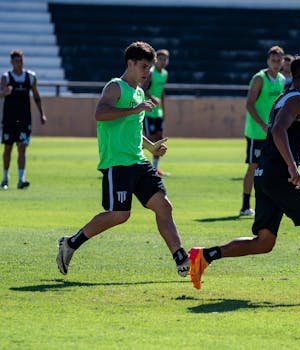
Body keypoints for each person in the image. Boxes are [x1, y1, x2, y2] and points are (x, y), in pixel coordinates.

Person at [188, 54, 300, 303]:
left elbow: (277, 137)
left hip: (266, 175)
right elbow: (279, 131)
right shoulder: (297, 99)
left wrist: (296, 171)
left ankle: (205, 256)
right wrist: (293, 169)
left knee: (264, 242)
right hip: (281, 177)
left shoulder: (283, 98)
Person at [56, 42, 189, 277]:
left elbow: (134, 131)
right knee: (119, 214)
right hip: (117, 163)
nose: (147, 72)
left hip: (138, 162)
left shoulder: (138, 92)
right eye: (144, 67)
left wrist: (151, 147)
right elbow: (100, 114)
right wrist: (134, 109)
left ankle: (181, 258)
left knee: (164, 206)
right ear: (130, 64)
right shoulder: (115, 87)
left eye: (149, 67)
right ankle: (70, 243)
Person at [240, 45, 286, 216]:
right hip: (256, 133)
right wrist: (262, 124)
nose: (276, 63)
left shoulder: (281, 79)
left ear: (282, 62)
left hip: (273, 133)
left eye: (278, 60)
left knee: (272, 167)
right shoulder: (259, 78)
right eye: (273, 60)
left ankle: (270, 202)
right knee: (253, 167)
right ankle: (245, 206)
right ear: (268, 61)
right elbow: (249, 104)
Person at [1, 49, 47, 190]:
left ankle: (21, 179)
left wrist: (42, 114)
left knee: (22, 147)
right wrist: (4, 92)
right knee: (8, 148)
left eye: (20, 60)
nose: (19, 64)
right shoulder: (6, 77)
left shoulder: (30, 77)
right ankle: (5, 177)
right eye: (16, 61)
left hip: (24, 119)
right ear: (11, 62)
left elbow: (36, 96)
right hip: (9, 119)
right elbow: (0, 93)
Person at [143, 49, 170, 176]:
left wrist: (164, 110)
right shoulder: (151, 73)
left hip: (157, 113)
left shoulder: (164, 74)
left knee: (159, 139)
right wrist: (152, 98)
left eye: (165, 59)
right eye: (161, 59)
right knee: (150, 140)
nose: (163, 61)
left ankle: (155, 169)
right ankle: (139, 165)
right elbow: (143, 89)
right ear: (156, 60)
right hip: (148, 112)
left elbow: (162, 92)